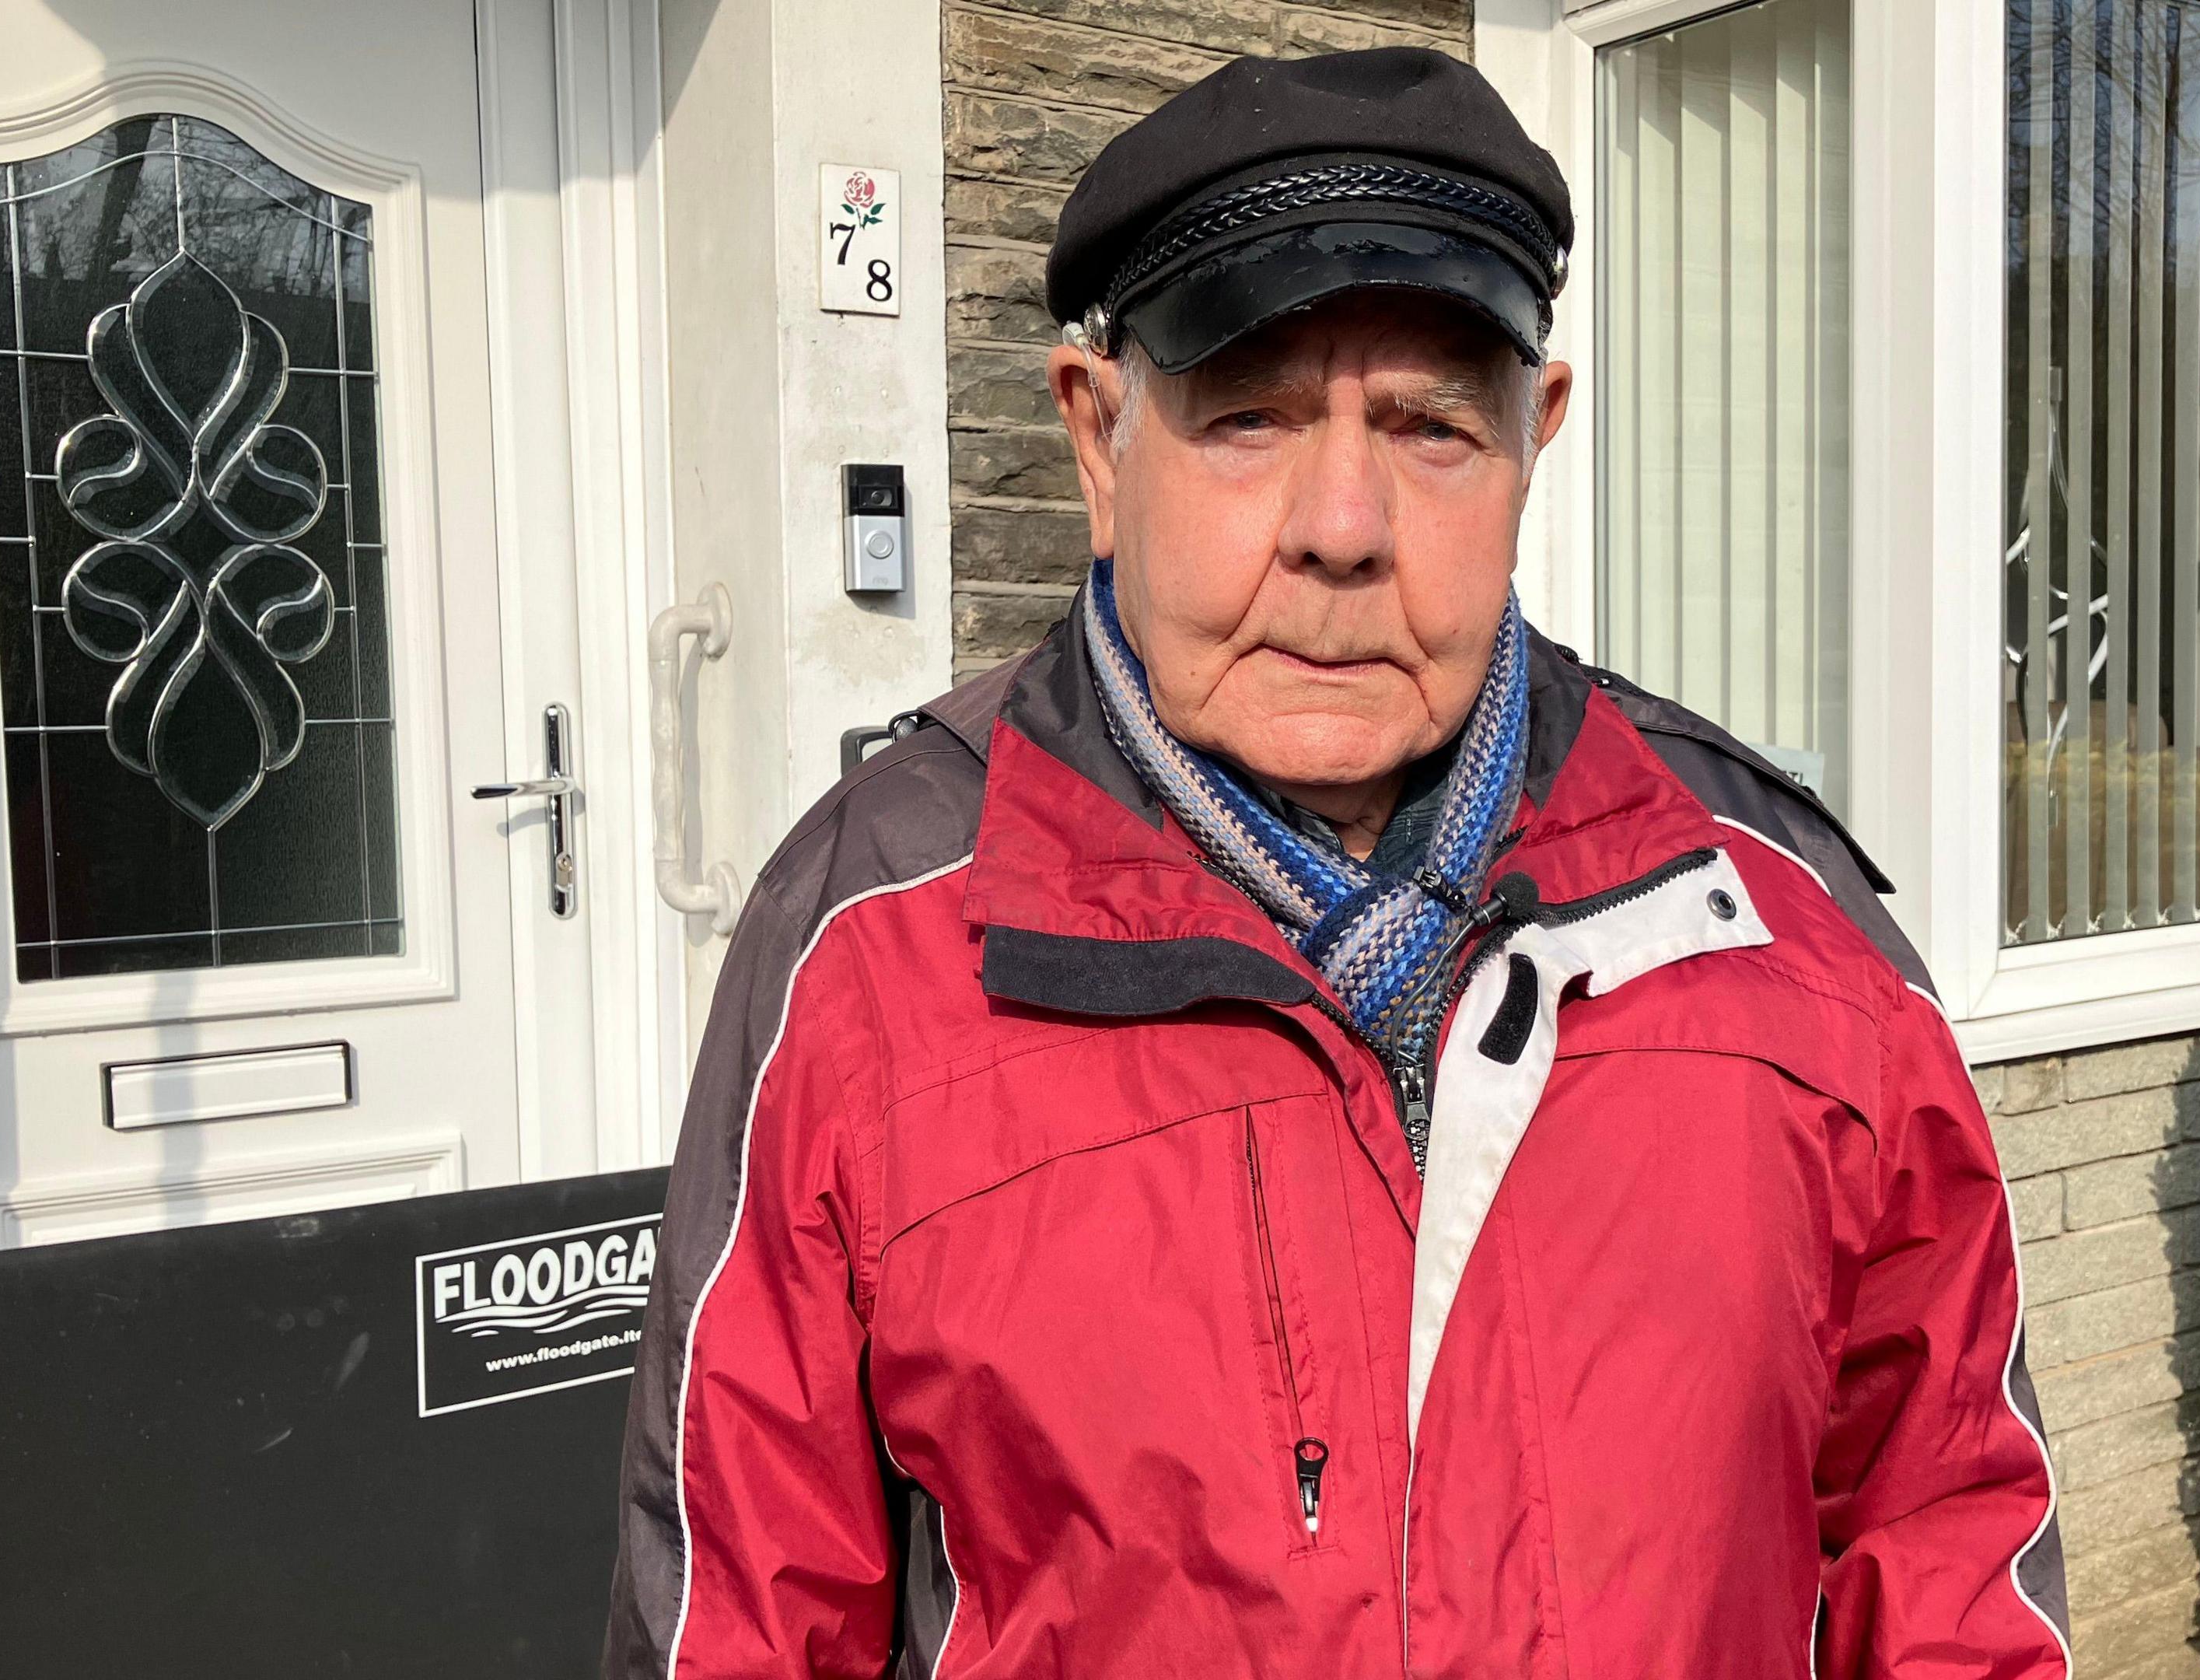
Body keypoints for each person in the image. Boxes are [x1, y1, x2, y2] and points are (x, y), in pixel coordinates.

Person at [609, 46, 2068, 1678]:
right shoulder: (873, 946)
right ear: (1101, 442)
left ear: (1538, 439)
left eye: (1435, 426)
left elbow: (1948, 1550)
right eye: (1249, 416)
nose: (1345, 523)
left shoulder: (1780, 931)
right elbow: (741, 1618)